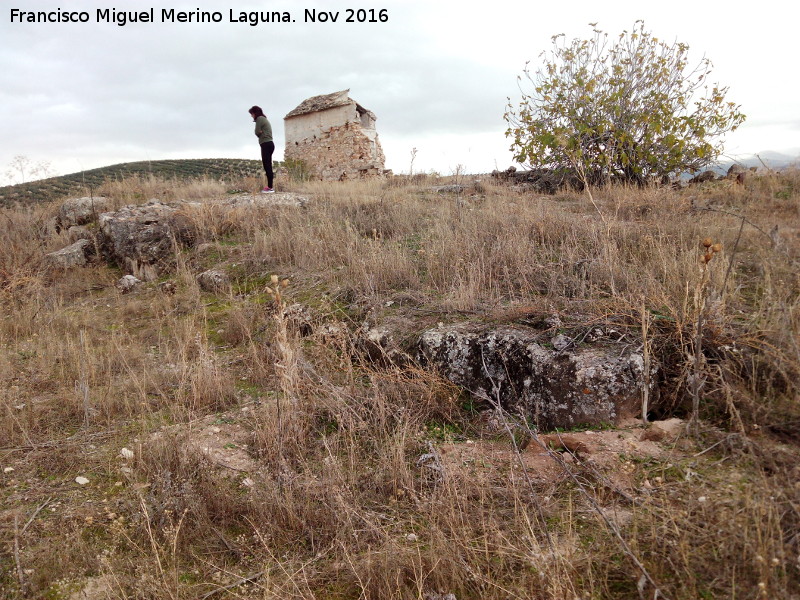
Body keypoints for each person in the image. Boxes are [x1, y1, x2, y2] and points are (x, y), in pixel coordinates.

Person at [248, 105, 275, 193]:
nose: (251, 116)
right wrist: (261, 132)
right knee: (268, 165)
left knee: (267, 165)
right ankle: (270, 186)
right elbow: (259, 131)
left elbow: (256, 132)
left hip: (266, 143)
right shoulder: (264, 119)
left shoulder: (259, 119)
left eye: (251, 114)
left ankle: (270, 188)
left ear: (255, 113)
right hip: (270, 143)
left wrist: (260, 133)